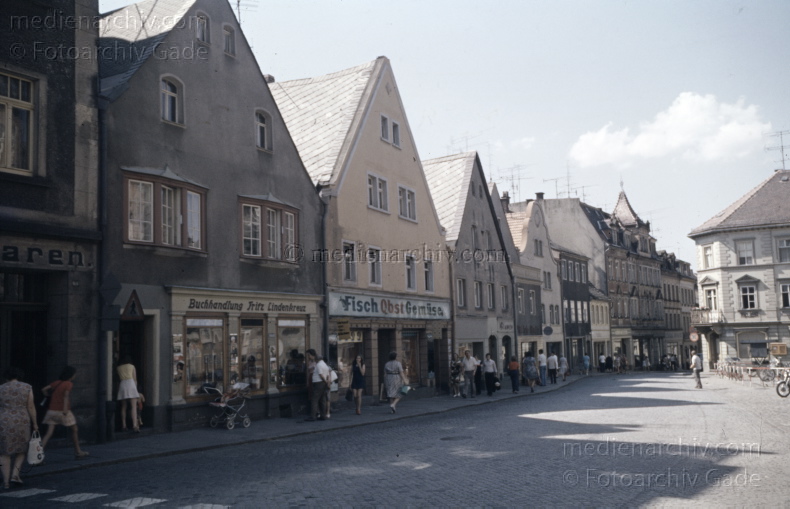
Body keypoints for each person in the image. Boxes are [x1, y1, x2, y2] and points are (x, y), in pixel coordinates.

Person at [0, 367, 38, 489]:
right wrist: (35, 423)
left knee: (4, 452)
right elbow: (31, 407)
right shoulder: (27, 387)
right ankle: (15, 475)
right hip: (22, 420)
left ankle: (5, 482)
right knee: (21, 450)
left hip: (4, 420)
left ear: (6, 376)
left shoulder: (1, 388)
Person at [41, 366, 89, 459]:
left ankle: (38, 455)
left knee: (48, 433)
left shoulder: (56, 383)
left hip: (51, 410)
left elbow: (44, 389)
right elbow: (66, 396)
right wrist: (65, 409)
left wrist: (48, 396)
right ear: (71, 375)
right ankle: (78, 452)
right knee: (74, 429)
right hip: (62, 410)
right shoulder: (69, 384)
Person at [116, 357, 140, 433]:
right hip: (131, 384)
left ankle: (124, 425)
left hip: (122, 384)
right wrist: (136, 388)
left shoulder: (118, 368)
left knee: (123, 406)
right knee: (133, 407)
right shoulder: (132, 366)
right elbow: (135, 378)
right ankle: (134, 425)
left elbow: (117, 379)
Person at [306, 349, 330, 421]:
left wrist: (325, 381)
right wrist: (326, 382)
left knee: (314, 399)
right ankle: (323, 415)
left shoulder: (319, 365)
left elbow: (321, 374)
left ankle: (313, 416)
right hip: (322, 383)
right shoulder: (324, 364)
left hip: (318, 382)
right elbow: (327, 373)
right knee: (322, 399)